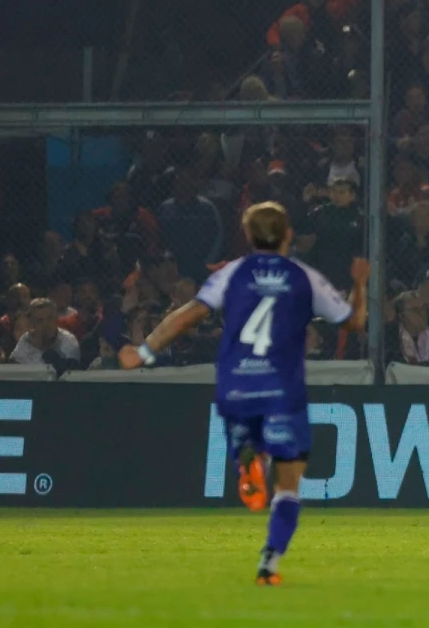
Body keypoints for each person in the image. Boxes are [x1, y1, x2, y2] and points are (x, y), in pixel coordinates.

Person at [117, 202, 369, 584]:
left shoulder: (231, 274)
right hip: (282, 388)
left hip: (238, 385)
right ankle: (269, 561)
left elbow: (188, 315)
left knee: (249, 446)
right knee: (288, 485)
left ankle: (247, 458)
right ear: (288, 235)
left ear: (248, 236)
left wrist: (144, 351)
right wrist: (360, 284)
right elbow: (353, 321)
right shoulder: (304, 277)